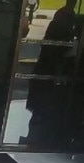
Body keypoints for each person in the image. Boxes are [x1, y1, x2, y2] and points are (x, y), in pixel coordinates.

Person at [25, 4, 76, 149]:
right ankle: (38, 141)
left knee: (39, 115)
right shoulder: (61, 39)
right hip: (49, 81)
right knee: (42, 114)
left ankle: (35, 140)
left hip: (43, 79)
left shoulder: (54, 31)